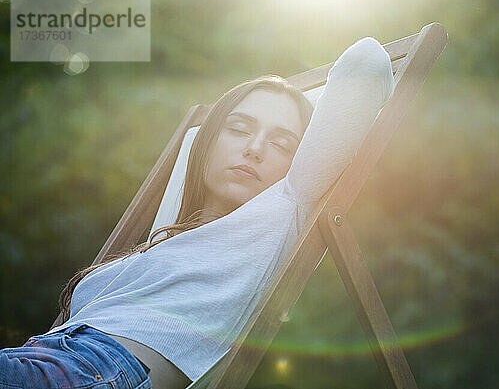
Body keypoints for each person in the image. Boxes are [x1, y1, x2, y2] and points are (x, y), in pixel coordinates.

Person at [0, 37, 395, 389]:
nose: (255, 148)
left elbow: (367, 64)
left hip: (95, 369)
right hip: (43, 357)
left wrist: (301, 101)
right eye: (238, 128)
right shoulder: (168, 238)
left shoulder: (285, 210)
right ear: (205, 143)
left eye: (281, 143)